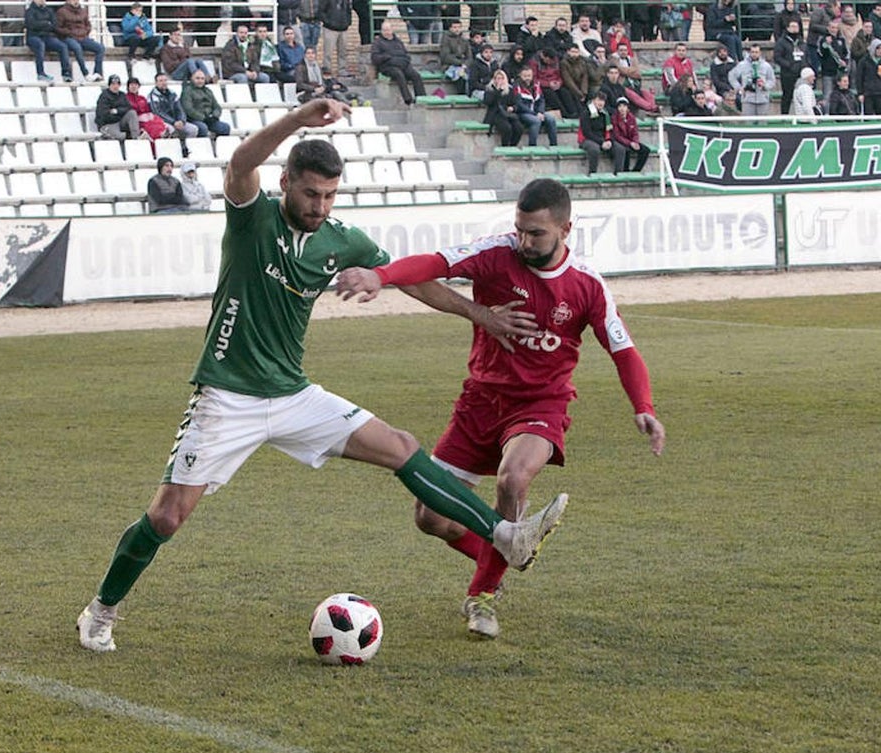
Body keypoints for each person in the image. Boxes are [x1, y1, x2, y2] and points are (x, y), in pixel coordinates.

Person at [75, 98, 556, 653]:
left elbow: (408, 278)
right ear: (286, 183)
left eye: (329, 196)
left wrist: (480, 314)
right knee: (167, 516)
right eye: (310, 194)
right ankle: (101, 610)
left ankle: (506, 535)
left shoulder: (340, 238)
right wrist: (298, 119)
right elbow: (238, 161)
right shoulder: (252, 214)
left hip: (293, 394)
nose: (319, 205)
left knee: (399, 446)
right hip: (226, 398)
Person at [333, 177, 664, 639]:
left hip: (541, 403)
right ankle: (510, 547)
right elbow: (433, 263)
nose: (525, 242)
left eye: (537, 234)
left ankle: (483, 595)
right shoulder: (496, 254)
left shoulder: (587, 285)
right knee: (431, 518)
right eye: (520, 230)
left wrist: (642, 406)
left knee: (514, 478)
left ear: (566, 228)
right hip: (479, 403)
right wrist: (381, 277)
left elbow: (623, 350)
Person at [371, 20, 426, 106]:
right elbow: (375, 58)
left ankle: (421, 98)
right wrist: (387, 57)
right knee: (399, 74)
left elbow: (406, 55)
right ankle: (408, 99)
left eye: (388, 30)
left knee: (415, 75)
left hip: (402, 65)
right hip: (387, 67)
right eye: (384, 30)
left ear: (392, 30)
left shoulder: (398, 41)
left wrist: (405, 61)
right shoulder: (377, 43)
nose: (386, 32)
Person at [56, 0, 105, 82]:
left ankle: (98, 72)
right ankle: (85, 73)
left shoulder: (83, 11)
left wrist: (85, 32)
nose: (76, 1)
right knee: (77, 48)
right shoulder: (61, 12)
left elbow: (88, 25)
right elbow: (58, 28)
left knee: (100, 48)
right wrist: (69, 32)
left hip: (83, 37)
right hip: (69, 37)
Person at [25, 0, 69, 83]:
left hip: (47, 36)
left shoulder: (49, 11)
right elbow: (31, 25)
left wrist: (42, 25)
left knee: (62, 46)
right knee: (40, 45)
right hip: (33, 37)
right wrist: (46, 23)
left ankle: (66, 73)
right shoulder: (30, 11)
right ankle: (40, 73)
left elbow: (54, 25)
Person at [513, 67, 557, 146]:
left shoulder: (536, 85)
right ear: (520, 76)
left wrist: (540, 111)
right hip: (523, 113)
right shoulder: (517, 87)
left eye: (529, 76)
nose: (527, 78)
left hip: (537, 112)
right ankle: (532, 145)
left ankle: (554, 145)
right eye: (525, 76)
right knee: (536, 121)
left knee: (551, 119)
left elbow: (541, 100)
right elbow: (519, 105)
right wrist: (535, 113)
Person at [180, 68, 232, 136]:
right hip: (195, 120)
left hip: (210, 119)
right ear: (192, 79)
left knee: (225, 127)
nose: (200, 81)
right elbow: (188, 109)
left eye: (202, 78)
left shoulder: (208, 91)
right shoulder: (187, 91)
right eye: (197, 78)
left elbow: (217, 107)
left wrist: (214, 116)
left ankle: (218, 145)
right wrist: (203, 118)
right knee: (203, 128)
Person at [148, 73, 199, 143]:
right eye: (161, 81)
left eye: (165, 80)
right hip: (163, 122)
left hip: (177, 121)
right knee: (171, 130)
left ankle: (186, 149)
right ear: (156, 83)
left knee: (193, 129)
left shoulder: (172, 94)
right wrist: (173, 122)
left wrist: (181, 120)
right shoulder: (153, 96)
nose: (164, 83)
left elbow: (180, 108)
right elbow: (158, 113)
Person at [729, 44, 775, 116]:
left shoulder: (766, 66)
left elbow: (772, 80)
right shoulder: (742, 65)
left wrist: (765, 85)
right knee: (748, 123)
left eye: (756, 52)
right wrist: (739, 88)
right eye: (752, 52)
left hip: (763, 98)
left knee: (762, 124)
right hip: (748, 99)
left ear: (760, 53)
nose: (754, 54)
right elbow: (731, 76)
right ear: (750, 53)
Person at [482, 69, 523, 146]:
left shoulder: (509, 90)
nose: (500, 81)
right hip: (496, 114)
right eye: (498, 78)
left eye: (502, 78)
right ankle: (505, 147)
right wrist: (498, 91)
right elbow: (488, 102)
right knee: (507, 128)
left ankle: (513, 146)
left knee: (519, 128)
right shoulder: (490, 89)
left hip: (508, 114)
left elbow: (515, 103)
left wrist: (513, 108)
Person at [775, 18, 807, 115]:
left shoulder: (801, 42)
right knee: (787, 96)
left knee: (803, 96)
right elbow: (777, 57)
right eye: (792, 26)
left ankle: (803, 116)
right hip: (788, 74)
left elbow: (806, 55)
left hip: (801, 73)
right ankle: (784, 116)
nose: (795, 29)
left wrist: (804, 66)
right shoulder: (781, 42)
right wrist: (789, 65)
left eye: (796, 26)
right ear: (787, 28)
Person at [610, 96, 650, 172]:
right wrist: (630, 143)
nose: (622, 108)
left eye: (624, 106)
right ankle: (626, 171)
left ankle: (636, 170)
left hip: (631, 140)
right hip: (621, 142)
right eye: (620, 106)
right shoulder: (614, 118)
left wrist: (635, 142)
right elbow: (617, 136)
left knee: (646, 150)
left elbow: (635, 132)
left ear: (627, 108)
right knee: (625, 150)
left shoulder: (631, 118)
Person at [95, 74, 140, 140]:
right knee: (120, 136)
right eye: (113, 84)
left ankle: (136, 138)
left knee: (132, 113)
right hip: (108, 123)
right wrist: (119, 114)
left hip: (120, 121)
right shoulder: (104, 96)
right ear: (109, 85)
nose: (115, 86)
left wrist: (117, 111)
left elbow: (129, 108)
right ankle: (129, 136)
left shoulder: (122, 95)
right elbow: (104, 114)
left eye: (117, 84)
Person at [857, 38, 881, 113]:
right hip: (868, 93)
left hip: (880, 93)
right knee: (869, 116)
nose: (880, 50)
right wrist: (860, 93)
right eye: (878, 48)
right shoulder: (864, 61)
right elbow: (859, 78)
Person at [578, 90, 612, 173]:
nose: (601, 103)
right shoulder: (586, 113)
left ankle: (619, 173)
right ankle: (592, 173)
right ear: (593, 101)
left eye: (603, 100)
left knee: (619, 148)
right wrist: (601, 142)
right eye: (599, 100)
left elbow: (608, 130)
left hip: (602, 139)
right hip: (587, 140)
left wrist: (608, 140)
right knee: (594, 149)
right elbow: (587, 133)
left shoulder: (605, 114)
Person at [318, 0, 352, 76]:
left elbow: (349, 11)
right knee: (328, 52)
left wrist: (348, 22)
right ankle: (327, 69)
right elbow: (321, 11)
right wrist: (328, 22)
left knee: (343, 52)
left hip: (343, 29)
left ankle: (342, 69)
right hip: (330, 29)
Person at [439, 18, 470, 94]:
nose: (457, 29)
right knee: (460, 76)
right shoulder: (445, 39)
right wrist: (460, 63)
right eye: (455, 27)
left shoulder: (464, 40)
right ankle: (461, 96)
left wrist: (465, 65)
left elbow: (469, 56)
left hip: (464, 66)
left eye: (459, 27)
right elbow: (445, 57)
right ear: (450, 28)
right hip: (449, 66)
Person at [559, 43, 591, 114]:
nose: (574, 54)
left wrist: (584, 92)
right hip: (569, 87)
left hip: (580, 87)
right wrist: (579, 93)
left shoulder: (582, 62)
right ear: (568, 52)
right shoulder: (564, 63)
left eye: (576, 52)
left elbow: (585, 77)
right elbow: (568, 80)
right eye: (572, 52)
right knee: (568, 93)